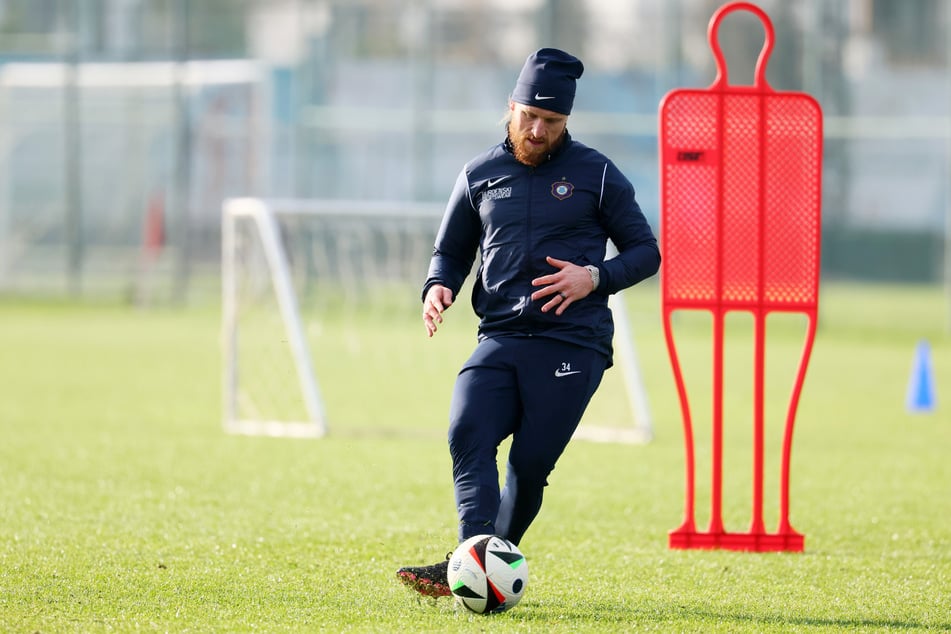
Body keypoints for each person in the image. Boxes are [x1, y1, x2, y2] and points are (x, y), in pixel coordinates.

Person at [396, 48, 660, 598]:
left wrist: (594, 276)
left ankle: (478, 565)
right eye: (528, 117)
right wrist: (436, 287)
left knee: (529, 465)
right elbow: (450, 252)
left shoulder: (598, 174)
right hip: (501, 337)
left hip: (573, 342)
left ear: (567, 121)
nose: (537, 130)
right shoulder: (479, 174)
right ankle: (472, 562)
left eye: (552, 122)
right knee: (467, 432)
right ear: (510, 107)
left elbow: (645, 252)